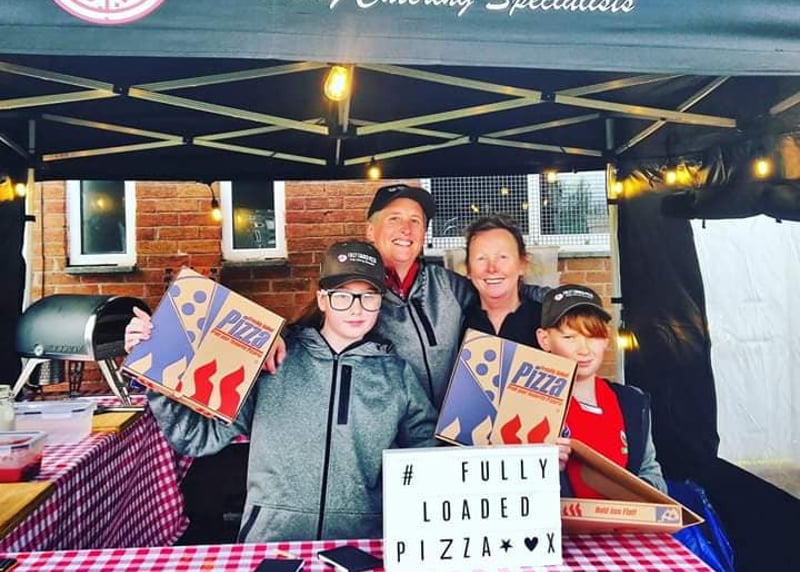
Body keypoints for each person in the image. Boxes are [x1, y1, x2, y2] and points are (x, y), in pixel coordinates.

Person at [127, 240, 438, 542]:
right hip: (272, 539)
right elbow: (195, 437)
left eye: (368, 296)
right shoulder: (271, 361)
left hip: (360, 542)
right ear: (322, 300)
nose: (356, 308)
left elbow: (429, 458)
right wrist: (155, 361)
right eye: (342, 296)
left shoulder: (396, 375)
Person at [365, 184, 548, 409]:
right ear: (371, 230)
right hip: (397, 428)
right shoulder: (355, 296)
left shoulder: (448, 285)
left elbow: (497, 289)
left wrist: (569, 302)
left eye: (415, 221)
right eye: (394, 218)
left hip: (456, 424)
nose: (406, 229)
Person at [535, 284, 667, 496]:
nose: (584, 350)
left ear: (606, 339)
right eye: (569, 337)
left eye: (593, 336)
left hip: (622, 518)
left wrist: (631, 494)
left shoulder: (631, 402)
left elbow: (653, 475)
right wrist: (538, 469)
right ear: (544, 339)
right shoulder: (529, 404)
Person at [462, 214, 542, 347]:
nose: (492, 268)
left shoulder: (548, 322)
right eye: (481, 258)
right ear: (468, 269)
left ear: (523, 264)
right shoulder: (456, 324)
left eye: (503, 257)